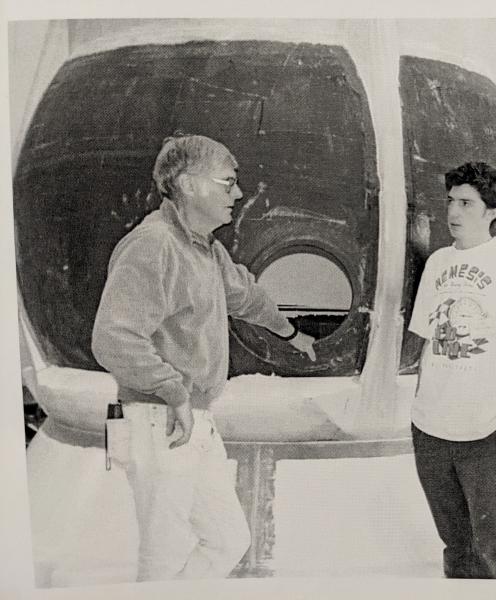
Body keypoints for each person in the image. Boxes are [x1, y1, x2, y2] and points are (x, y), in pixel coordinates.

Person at [92, 134, 316, 581]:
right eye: (228, 182)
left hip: (192, 418)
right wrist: (173, 391)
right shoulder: (154, 245)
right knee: (164, 554)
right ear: (190, 185)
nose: (238, 193)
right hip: (160, 420)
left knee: (229, 540)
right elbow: (113, 337)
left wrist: (292, 333)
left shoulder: (204, 248)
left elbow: (244, 295)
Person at [407, 161, 496, 579]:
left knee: (495, 545)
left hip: (485, 428)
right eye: (451, 201)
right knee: (456, 545)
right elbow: (428, 343)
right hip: (431, 428)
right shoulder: (435, 263)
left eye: (467, 203)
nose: (454, 212)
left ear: (492, 211)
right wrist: (420, 406)